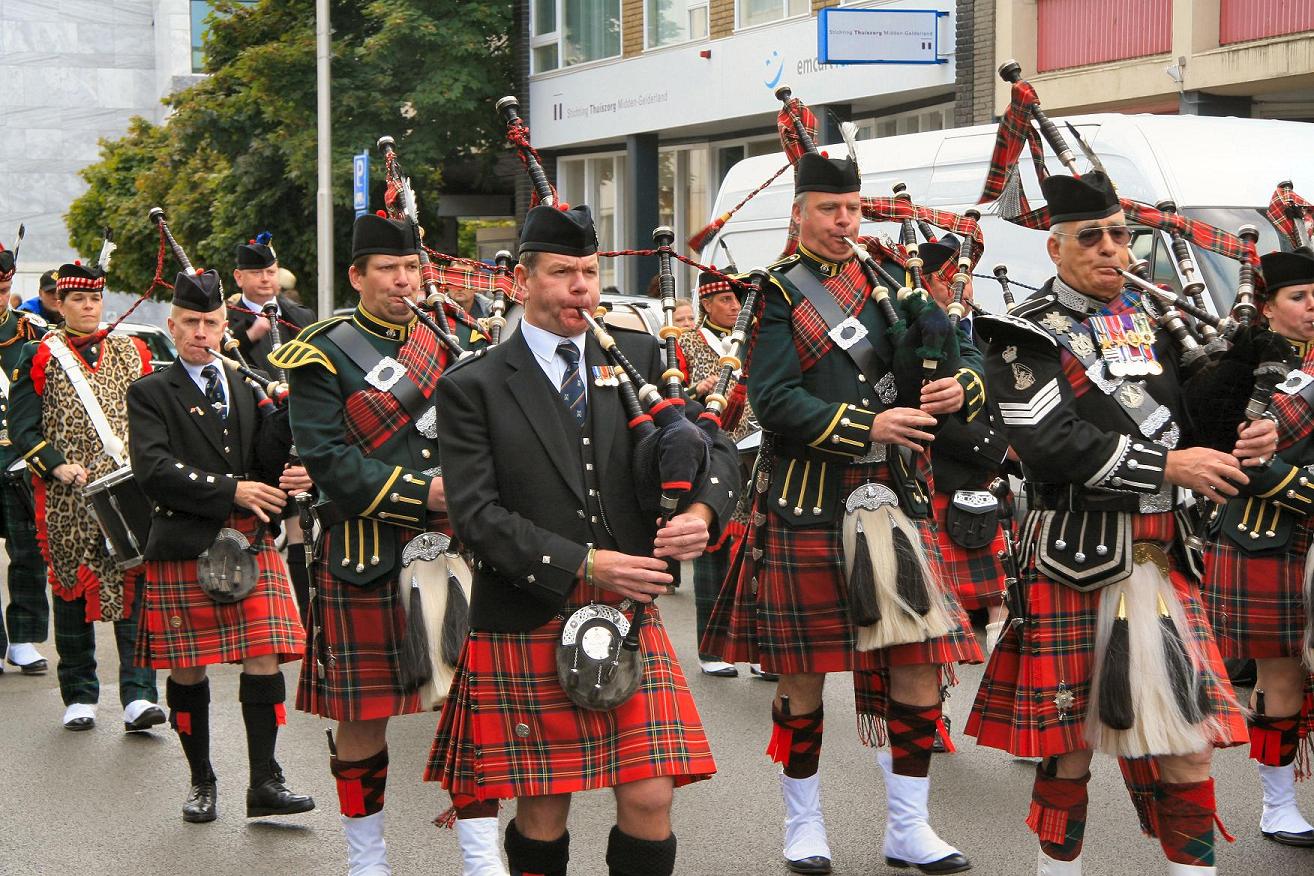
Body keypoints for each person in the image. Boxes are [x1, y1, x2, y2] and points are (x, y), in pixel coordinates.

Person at [964, 171, 1267, 875]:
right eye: (1092, 237)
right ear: (1056, 246)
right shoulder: (1025, 331)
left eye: (1119, 235)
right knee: (1067, 747)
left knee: (1186, 741)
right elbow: (1048, 440)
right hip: (1077, 554)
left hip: (1164, 558)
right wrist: (1169, 468)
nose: (1110, 249)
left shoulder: (1148, 318)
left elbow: (1195, 423)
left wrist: (1248, 366)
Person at [426, 204, 738, 876]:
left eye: (590, 273)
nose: (581, 288)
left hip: (627, 617)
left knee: (652, 793)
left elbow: (718, 451)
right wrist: (589, 563)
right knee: (543, 808)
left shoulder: (641, 357)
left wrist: (704, 514)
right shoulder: (473, 387)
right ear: (522, 282)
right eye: (563, 273)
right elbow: (476, 517)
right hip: (529, 611)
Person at [701, 152, 982, 875]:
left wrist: (950, 373)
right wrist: (869, 427)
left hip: (894, 497)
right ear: (799, 214)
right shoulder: (773, 294)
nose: (844, 222)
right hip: (809, 501)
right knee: (802, 674)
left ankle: (909, 828)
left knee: (919, 666)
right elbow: (773, 401)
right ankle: (804, 825)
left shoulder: (893, 279)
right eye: (829, 209)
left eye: (852, 208)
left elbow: (950, 363)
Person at [271, 212, 490, 874]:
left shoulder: (447, 338)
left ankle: (481, 857)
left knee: (471, 709)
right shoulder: (322, 350)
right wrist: (421, 494)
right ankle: (367, 858)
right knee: (363, 718)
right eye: (389, 270)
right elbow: (329, 460)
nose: (404, 281)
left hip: (453, 553)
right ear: (357, 276)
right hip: (366, 556)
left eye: (412, 269)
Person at [128, 267, 313, 824]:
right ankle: (201, 780)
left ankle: (265, 780)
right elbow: (153, 470)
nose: (201, 333)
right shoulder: (152, 392)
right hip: (188, 540)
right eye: (190, 322)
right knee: (187, 669)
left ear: (222, 324)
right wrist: (232, 488)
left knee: (263, 658)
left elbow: (266, 465)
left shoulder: (244, 385)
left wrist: (292, 455)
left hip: (249, 539)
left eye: (210, 322)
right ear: (172, 325)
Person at [1190, 249, 1314, 848]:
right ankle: (1278, 804)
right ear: (1267, 308)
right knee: (1281, 672)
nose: (1313, 306)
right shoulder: (1241, 366)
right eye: (1298, 296)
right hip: (1267, 535)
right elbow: (1237, 457)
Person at [9, 261, 162, 732]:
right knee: (72, 592)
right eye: (78, 299)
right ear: (63, 303)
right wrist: (55, 463)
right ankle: (79, 695)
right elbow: (23, 429)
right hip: (66, 499)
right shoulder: (39, 355)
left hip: (127, 493)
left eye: (95, 298)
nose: (88, 306)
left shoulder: (132, 351)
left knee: (133, 592)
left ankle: (139, 696)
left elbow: (155, 418)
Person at [918, 236, 1012, 655]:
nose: (964, 289)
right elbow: (929, 412)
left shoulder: (986, 332)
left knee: (1000, 590)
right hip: (944, 472)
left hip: (988, 477)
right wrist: (999, 449)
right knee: (939, 591)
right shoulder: (921, 334)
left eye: (967, 278)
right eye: (952, 280)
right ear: (926, 282)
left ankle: (998, 645)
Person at [677, 268, 753, 677]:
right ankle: (711, 648)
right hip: (710, 454)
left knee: (756, 552)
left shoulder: (751, 340)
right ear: (706, 303)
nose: (734, 307)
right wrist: (697, 391)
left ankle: (758, 649)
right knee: (714, 552)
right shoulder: (685, 341)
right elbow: (667, 397)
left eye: (737, 300)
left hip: (756, 452)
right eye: (725, 300)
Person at [0, 241, 50, 676]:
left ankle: (23, 638)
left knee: (29, 554)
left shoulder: (30, 330)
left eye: (2, 290)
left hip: (19, 460)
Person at [227, 232, 316, 378]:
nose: (265, 279)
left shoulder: (304, 316)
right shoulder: (227, 324)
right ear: (239, 277)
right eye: (256, 273)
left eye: (271, 272)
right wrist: (248, 337)